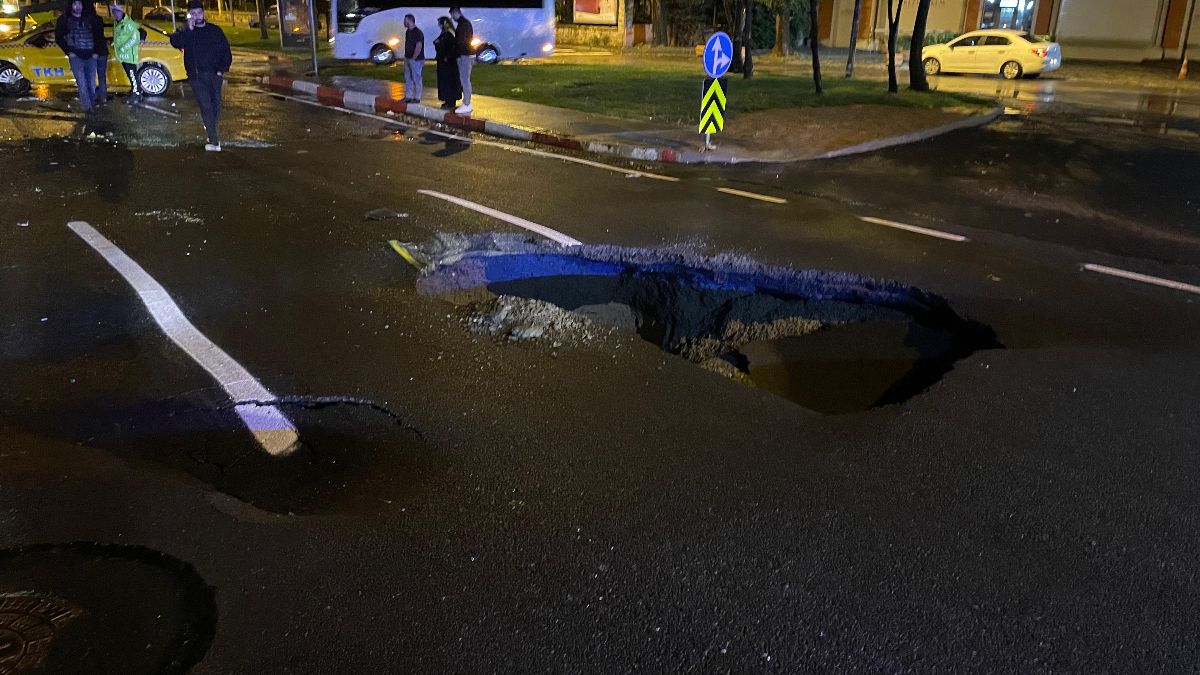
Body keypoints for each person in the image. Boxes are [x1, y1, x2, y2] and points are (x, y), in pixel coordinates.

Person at [170, 0, 232, 152]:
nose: (196, 16)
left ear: (203, 13)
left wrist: (221, 70)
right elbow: (175, 41)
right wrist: (188, 29)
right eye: (193, 13)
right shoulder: (187, 31)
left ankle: (211, 130)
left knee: (215, 105)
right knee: (206, 105)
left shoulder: (214, 31)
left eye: (199, 13)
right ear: (189, 15)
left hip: (214, 74)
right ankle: (214, 140)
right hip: (196, 76)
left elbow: (226, 51)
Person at [54, 0, 104, 111]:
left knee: (91, 83)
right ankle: (88, 108)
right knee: (82, 83)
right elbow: (59, 37)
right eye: (75, 4)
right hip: (76, 57)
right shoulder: (65, 20)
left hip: (91, 56)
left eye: (80, 4)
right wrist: (68, 52)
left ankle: (91, 104)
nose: (77, 6)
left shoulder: (90, 18)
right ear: (71, 5)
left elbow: (99, 36)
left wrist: (96, 53)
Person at [111, 3, 142, 103]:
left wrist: (124, 48)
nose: (115, 14)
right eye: (114, 12)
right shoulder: (117, 23)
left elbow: (135, 38)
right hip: (123, 56)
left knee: (132, 75)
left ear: (121, 12)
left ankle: (136, 94)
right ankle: (135, 90)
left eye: (117, 12)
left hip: (129, 56)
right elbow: (120, 37)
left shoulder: (128, 24)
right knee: (130, 75)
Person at [449, 6, 472, 114]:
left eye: (452, 15)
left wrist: (455, 51)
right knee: (464, 80)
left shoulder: (463, 24)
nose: (452, 17)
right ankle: (467, 103)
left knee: (465, 80)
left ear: (455, 12)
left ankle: (467, 104)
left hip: (464, 55)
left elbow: (461, 41)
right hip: (464, 54)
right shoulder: (463, 23)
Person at [433, 16, 460, 111]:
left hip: (449, 63)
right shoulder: (444, 33)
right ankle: (447, 100)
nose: (439, 25)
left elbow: (453, 47)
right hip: (443, 62)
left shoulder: (450, 33)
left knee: (449, 82)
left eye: (440, 23)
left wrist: (447, 57)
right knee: (445, 82)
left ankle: (451, 101)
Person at [402, 14, 423, 104]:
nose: (404, 22)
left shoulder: (418, 32)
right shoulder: (408, 31)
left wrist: (413, 58)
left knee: (416, 78)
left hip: (416, 59)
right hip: (408, 58)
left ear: (410, 20)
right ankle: (408, 96)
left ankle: (417, 97)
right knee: (408, 78)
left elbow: (419, 46)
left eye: (405, 20)